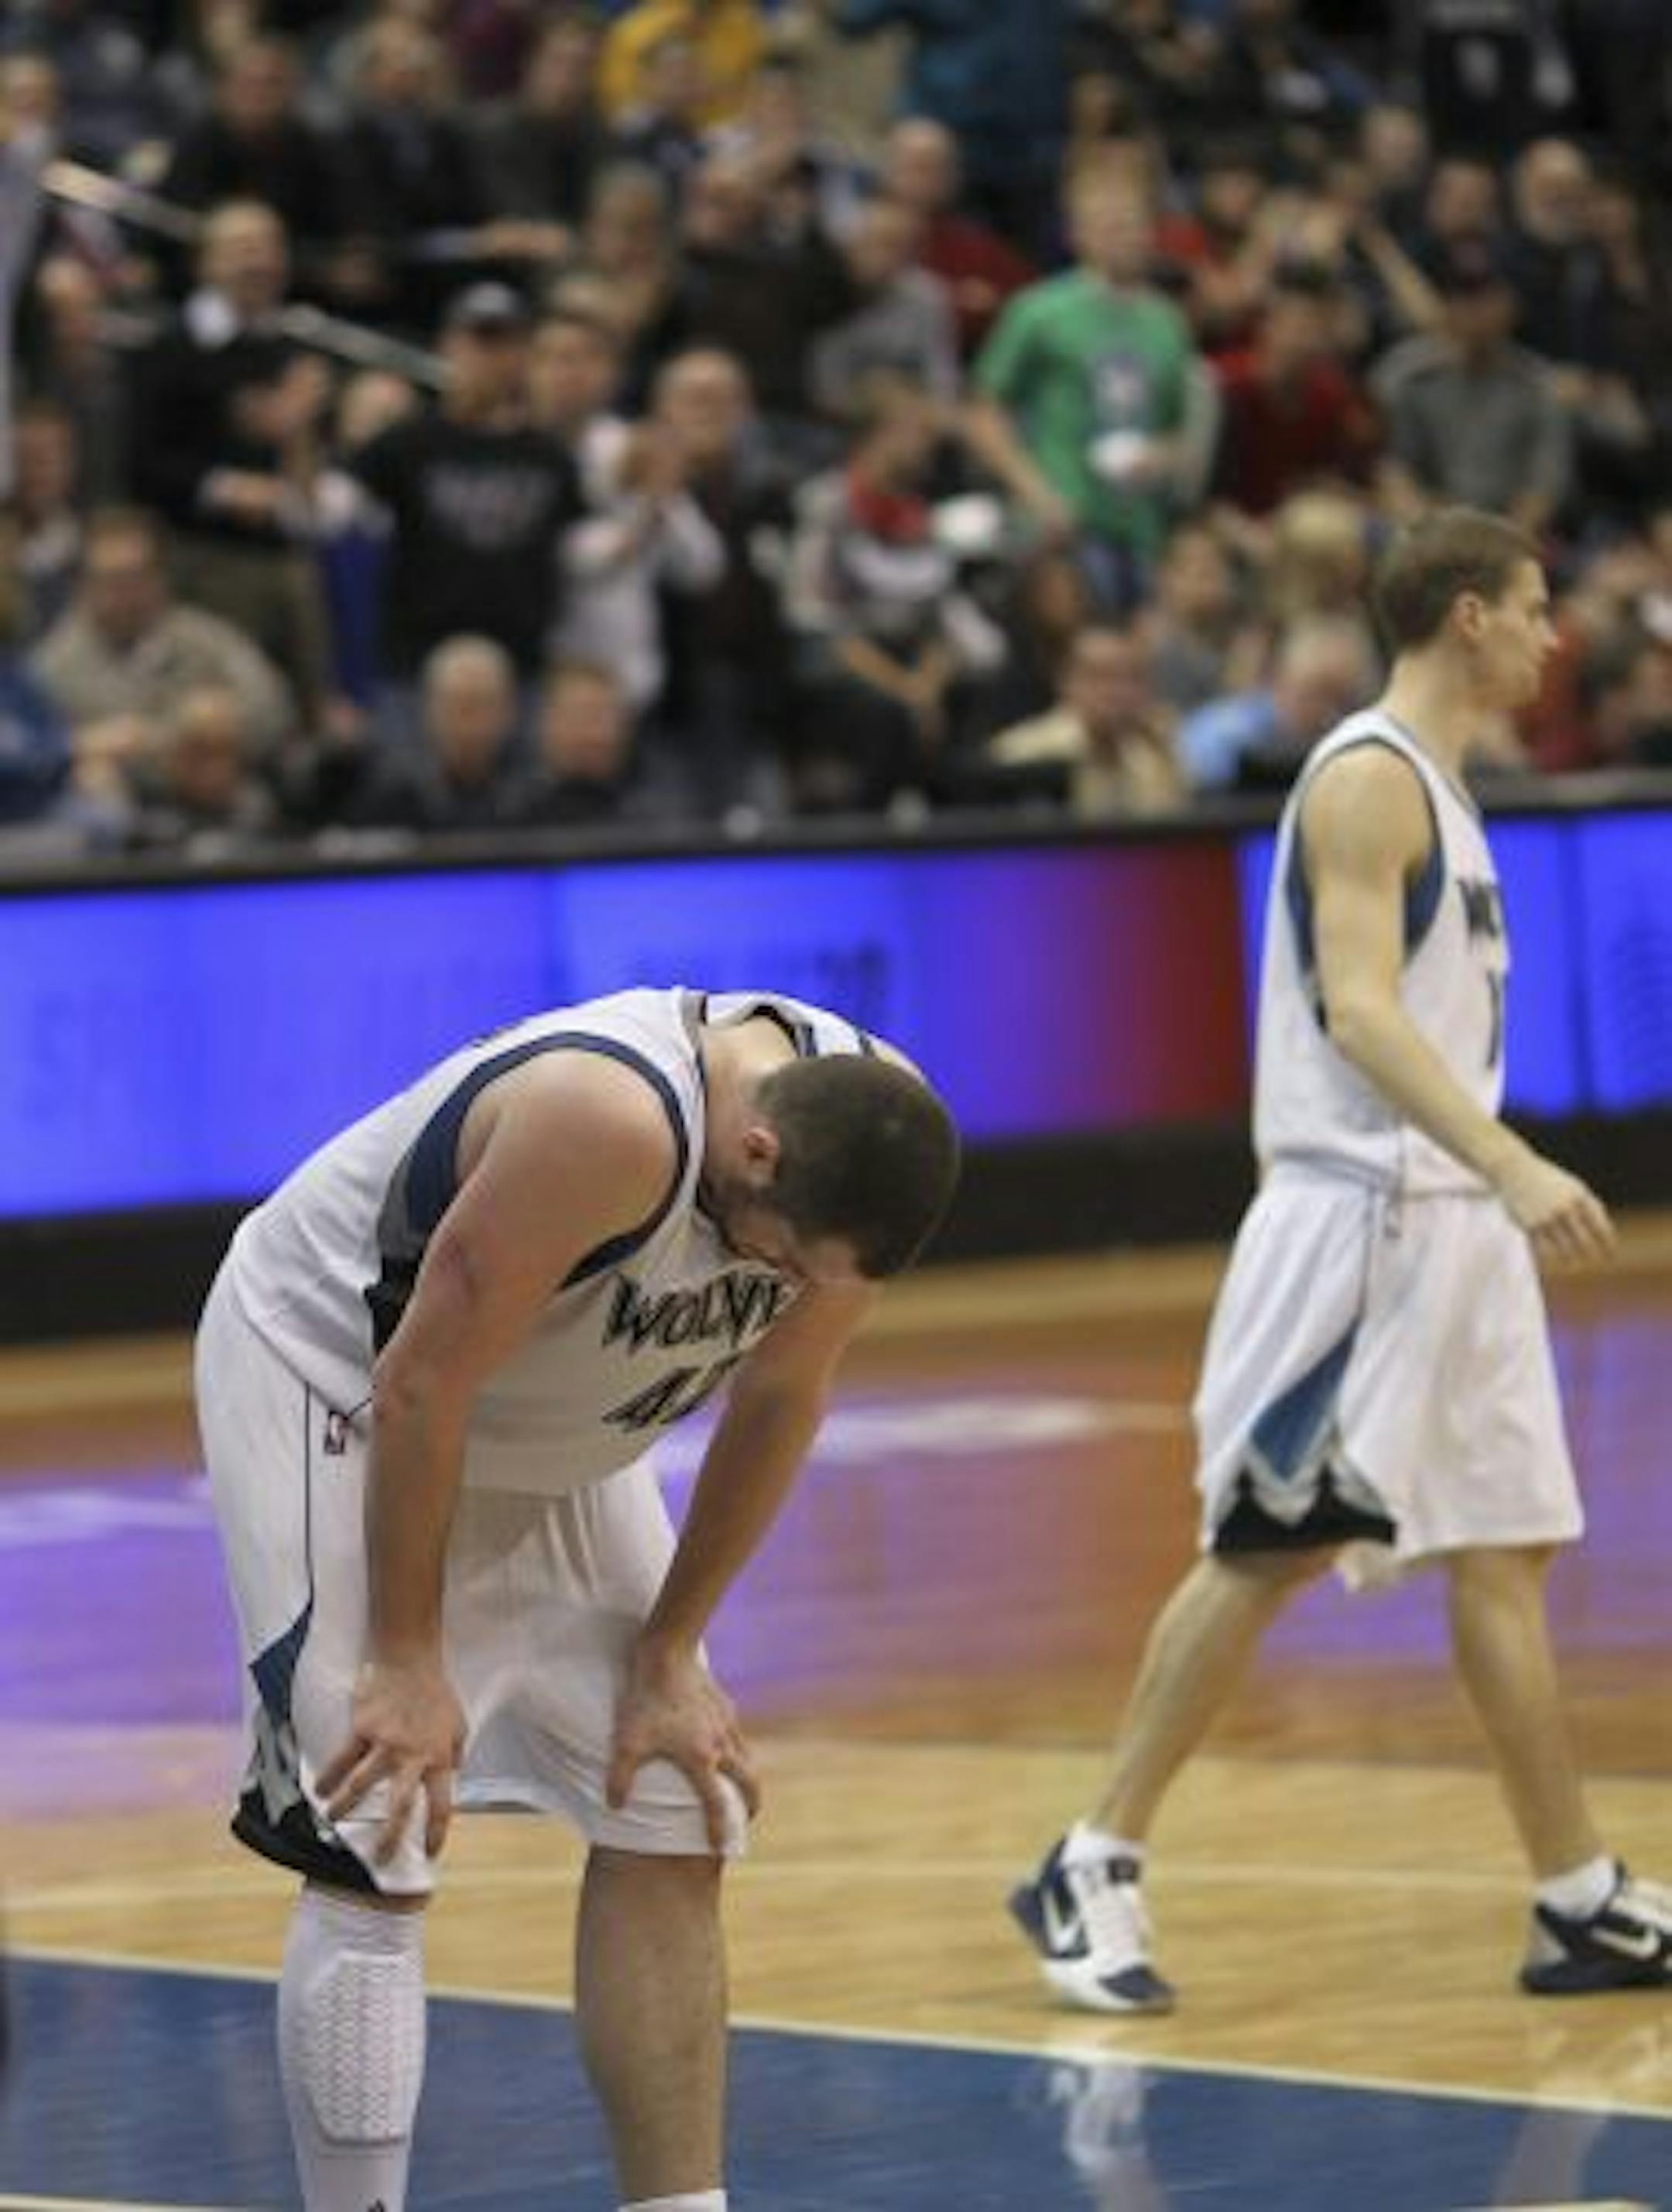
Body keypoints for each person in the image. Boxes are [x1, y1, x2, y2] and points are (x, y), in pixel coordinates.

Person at [1009, 506, 1672, 2014]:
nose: (1554, 636)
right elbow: (1362, 1012)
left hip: (1450, 1222)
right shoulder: (1369, 779)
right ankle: (1091, 1854)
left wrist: (1486, 1182)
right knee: (1269, 1541)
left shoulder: (1444, 783)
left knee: (1504, 1545)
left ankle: (1574, 1894)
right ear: (1463, 619)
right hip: (1364, 1211)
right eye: (1532, 607)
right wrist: (1507, 1156)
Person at [196, 986, 959, 2210]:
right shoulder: (605, 1115)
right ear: (755, 1148)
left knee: (671, 1793)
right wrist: (405, 1655)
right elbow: (422, 1385)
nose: (776, 1282)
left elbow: (780, 1399)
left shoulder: (874, 1131)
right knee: (377, 1805)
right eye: (777, 1257)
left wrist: (674, 1648)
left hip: (550, 1399)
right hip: (342, 1376)